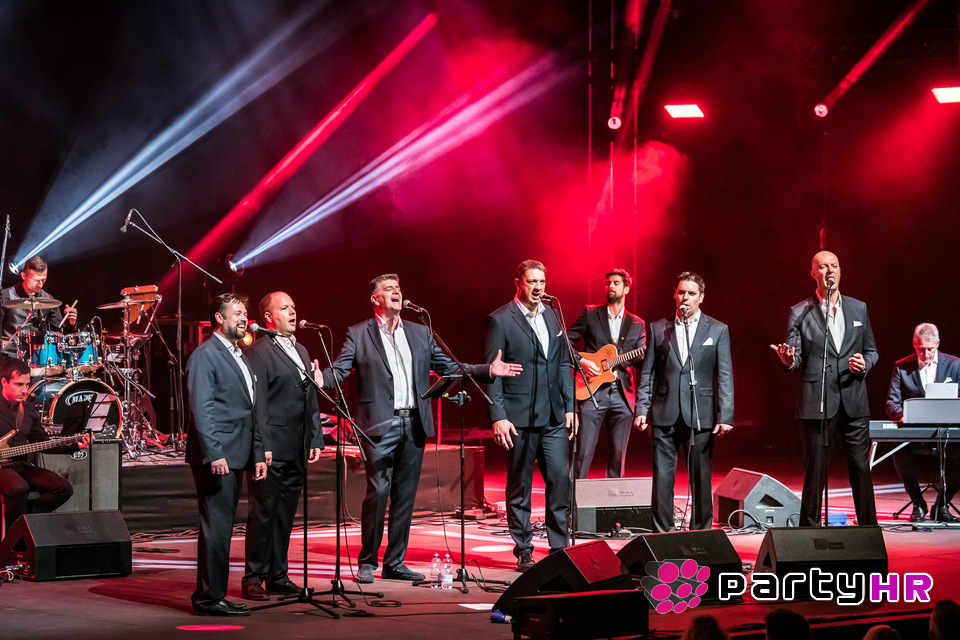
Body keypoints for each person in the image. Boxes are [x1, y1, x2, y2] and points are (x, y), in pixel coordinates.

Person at [317, 274, 521, 584]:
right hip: (379, 424)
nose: (396, 292)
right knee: (379, 491)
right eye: (389, 289)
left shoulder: (420, 331)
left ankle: (394, 562)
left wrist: (487, 370)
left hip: (413, 422)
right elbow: (340, 369)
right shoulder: (358, 334)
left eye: (398, 288)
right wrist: (322, 378)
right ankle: (367, 561)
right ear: (375, 299)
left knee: (405, 495)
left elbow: (449, 367)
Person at [771, 250, 878, 527]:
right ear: (813, 273)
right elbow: (795, 356)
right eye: (823, 267)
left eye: (834, 266)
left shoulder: (858, 308)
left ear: (841, 271)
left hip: (854, 400)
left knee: (861, 469)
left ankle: (869, 530)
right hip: (816, 402)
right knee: (815, 472)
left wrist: (864, 363)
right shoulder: (801, 311)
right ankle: (808, 532)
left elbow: (872, 351)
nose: (829, 270)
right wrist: (788, 360)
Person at [484, 259, 576, 572]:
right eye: (532, 282)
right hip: (518, 418)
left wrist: (570, 406)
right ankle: (524, 548)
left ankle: (559, 547)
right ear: (518, 283)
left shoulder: (552, 314)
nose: (538, 288)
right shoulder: (500, 320)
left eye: (542, 282)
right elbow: (493, 372)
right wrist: (498, 415)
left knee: (559, 480)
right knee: (520, 486)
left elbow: (563, 363)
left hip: (552, 416)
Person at [186, 293, 266, 616]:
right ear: (219, 318)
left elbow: (251, 409)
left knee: (223, 527)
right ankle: (208, 598)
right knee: (216, 528)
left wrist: (257, 453)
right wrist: (214, 452)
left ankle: (215, 594)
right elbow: (201, 407)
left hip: (238, 453)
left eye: (246, 313)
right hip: (218, 456)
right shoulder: (206, 355)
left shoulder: (240, 355)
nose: (244, 318)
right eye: (237, 313)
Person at [634, 272, 733, 532]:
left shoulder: (717, 329)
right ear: (674, 295)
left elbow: (724, 375)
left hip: (700, 414)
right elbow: (648, 373)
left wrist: (725, 415)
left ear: (701, 297)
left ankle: (700, 534)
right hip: (663, 413)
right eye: (681, 292)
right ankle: (662, 535)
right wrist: (641, 408)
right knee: (662, 480)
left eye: (691, 293)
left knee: (700, 479)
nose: (685, 298)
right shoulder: (658, 328)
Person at [241, 292, 324, 601]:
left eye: (293, 306)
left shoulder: (301, 350)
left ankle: (278, 574)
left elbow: (309, 397)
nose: (292, 311)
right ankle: (253, 577)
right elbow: (258, 403)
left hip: (296, 445)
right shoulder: (259, 351)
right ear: (269, 317)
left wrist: (315, 435)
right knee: (263, 513)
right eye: (285, 307)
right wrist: (261, 445)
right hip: (271, 448)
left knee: (285, 514)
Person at [566, 269, 645, 478]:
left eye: (616, 283)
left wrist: (651, 354)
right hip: (592, 392)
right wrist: (582, 361)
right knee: (583, 453)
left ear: (626, 289)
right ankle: (573, 498)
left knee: (618, 457)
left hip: (622, 395)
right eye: (608, 283)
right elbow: (565, 341)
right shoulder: (591, 314)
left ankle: (614, 499)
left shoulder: (637, 323)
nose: (610, 286)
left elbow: (641, 362)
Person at [884, 323, 960, 523]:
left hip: (948, 434)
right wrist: (908, 417)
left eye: (930, 349)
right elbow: (891, 403)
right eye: (921, 349)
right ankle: (918, 504)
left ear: (938, 343)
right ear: (914, 344)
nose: (925, 354)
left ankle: (942, 504)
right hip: (914, 433)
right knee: (898, 450)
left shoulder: (955, 365)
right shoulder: (902, 366)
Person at [0, 358, 87, 531]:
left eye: (27, 384)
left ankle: (29, 520)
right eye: (19, 384)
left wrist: (75, 445)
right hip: (2, 469)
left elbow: (43, 444)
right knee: (19, 488)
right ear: (4, 382)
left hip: (21, 466)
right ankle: (13, 539)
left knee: (63, 488)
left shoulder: (28, 410)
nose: (25, 390)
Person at [1, 255, 78, 359]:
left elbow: (60, 334)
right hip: (10, 357)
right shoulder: (5, 296)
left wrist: (71, 323)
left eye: (43, 280)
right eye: (36, 280)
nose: (40, 284)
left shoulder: (48, 299)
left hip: (38, 357)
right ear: (23, 276)